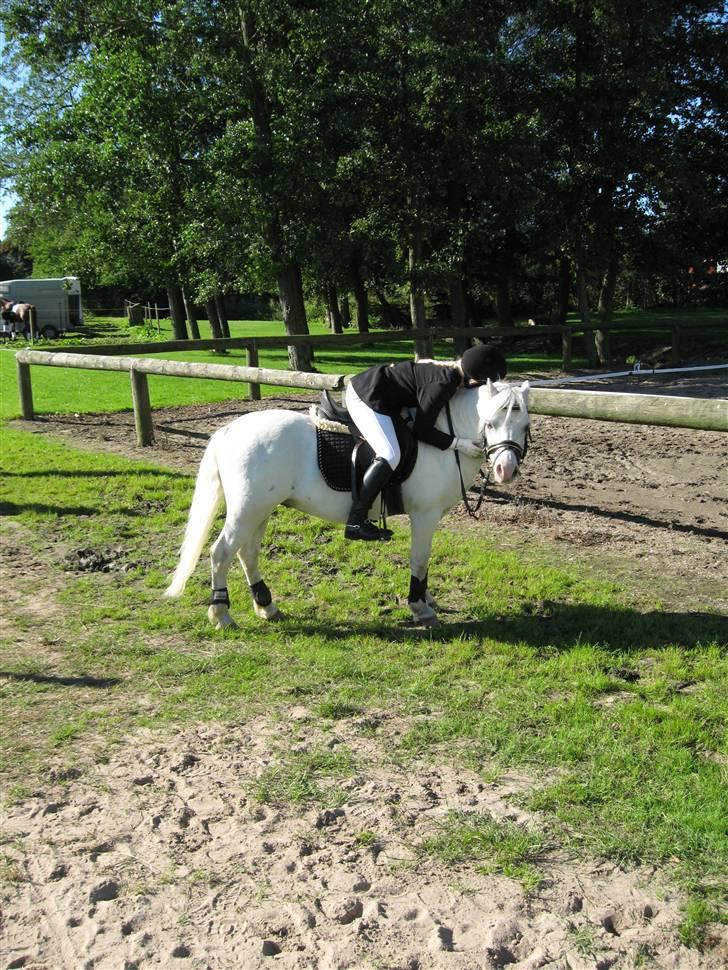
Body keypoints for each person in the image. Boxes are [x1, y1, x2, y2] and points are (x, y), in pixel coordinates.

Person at [344, 343, 507, 540]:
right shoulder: (444, 383)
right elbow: (421, 431)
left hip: (380, 391)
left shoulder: (450, 374)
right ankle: (356, 521)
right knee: (390, 454)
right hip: (366, 396)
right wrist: (459, 443)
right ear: (475, 380)